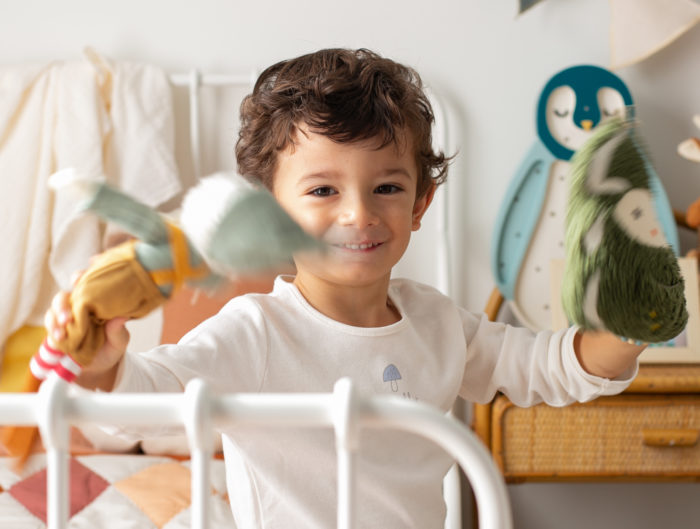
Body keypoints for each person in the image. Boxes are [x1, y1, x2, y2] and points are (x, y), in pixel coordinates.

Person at [46, 48, 645, 529]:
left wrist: (630, 329)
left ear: (420, 203)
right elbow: (152, 400)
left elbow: (546, 365)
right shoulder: (256, 331)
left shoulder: (437, 323)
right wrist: (104, 367)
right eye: (322, 191)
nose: (358, 214)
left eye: (386, 188)